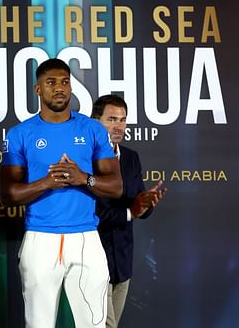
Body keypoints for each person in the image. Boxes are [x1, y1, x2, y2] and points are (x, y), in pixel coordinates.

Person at [0, 58, 123, 328]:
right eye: (51, 82)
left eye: (65, 82)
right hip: (39, 239)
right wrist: (47, 182)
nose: (59, 88)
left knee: (94, 323)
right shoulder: (21, 133)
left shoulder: (92, 129)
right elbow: (8, 193)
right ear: (38, 90)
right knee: (39, 324)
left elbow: (116, 187)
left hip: (86, 239)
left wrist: (83, 178)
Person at [91, 94, 166, 328]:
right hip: (93, 258)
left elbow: (138, 204)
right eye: (111, 119)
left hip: (123, 261)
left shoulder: (131, 157)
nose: (119, 126)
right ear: (95, 122)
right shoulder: (83, 158)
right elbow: (90, 213)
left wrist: (146, 205)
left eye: (123, 120)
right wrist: (130, 212)